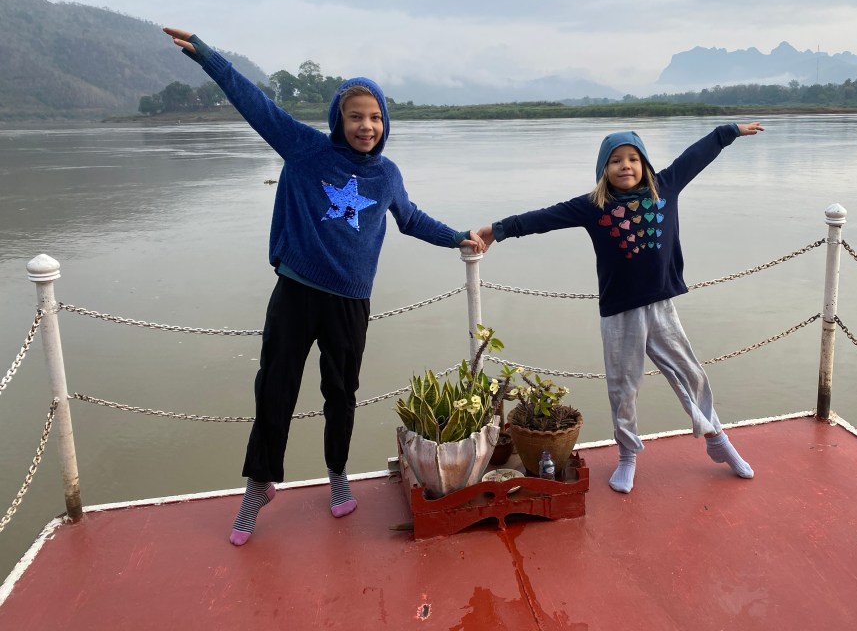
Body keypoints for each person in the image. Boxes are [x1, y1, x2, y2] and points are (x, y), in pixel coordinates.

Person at [164, 27, 485, 544]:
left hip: (350, 302)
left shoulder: (387, 175)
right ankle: (259, 484)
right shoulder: (306, 149)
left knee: (341, 392)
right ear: (339, 118)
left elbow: (410, 219)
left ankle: (337, 474)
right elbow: (257, 106)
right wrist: (208, 57)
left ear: (385, 123)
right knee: (275, 387)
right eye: (355, 116)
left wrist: (456, 238)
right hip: (296, 292)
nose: (366, 126)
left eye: (375, 117)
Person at [478, 122, 763, 493]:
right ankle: (628, 455)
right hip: (620, 312)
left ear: (644, 163)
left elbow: (696, 156)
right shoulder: (593, 206)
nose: (625, 166)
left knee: (690, 374)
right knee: (623, 388)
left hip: (660, 306)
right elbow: (543, 218)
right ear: (604, 169)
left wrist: (729, 132)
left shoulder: (665, 186)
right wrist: (497, 230)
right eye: (615, 161)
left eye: (632, 158)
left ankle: (717, 439)